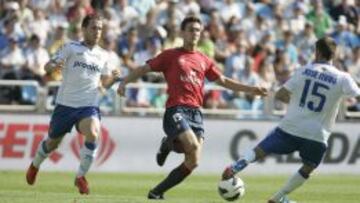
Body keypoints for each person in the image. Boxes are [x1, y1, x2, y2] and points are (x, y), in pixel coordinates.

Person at [117, 16, 268, 200]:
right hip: (176, 109)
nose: (195, 33)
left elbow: (224, 81)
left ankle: (156, 192)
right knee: (192, 145)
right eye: (191, 29)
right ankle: (168, 144)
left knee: (193, 161)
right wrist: (124, 82)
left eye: (197, 30)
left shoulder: (204, 59)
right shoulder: (170, 55)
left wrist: (251, 90)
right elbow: (144, 69)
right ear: (182, 32)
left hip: (196, 113)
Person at [221, 37, 360, 203]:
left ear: (317, 52)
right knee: (308, 167)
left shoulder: (304, 71)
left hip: (291, 126)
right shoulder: (343, 78)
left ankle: (236, 166)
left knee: (261, 149)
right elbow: (357, 96)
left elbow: (280, 95)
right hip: (317, 133)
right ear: (334, 55)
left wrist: (297, 102)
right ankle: (277, 198)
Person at [25, 14, 120, 195]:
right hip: (65, 105)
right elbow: (48, 66)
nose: (97, 32)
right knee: (53, 143)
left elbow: (103, 85)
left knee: (93, 133)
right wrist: (51, 67)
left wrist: (113, 79)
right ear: (84, 29)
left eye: (100, 28)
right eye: (93, 28)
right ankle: (35, 165)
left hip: (88, 105)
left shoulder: (103, 55)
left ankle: (80, 177)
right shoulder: (70, 48)